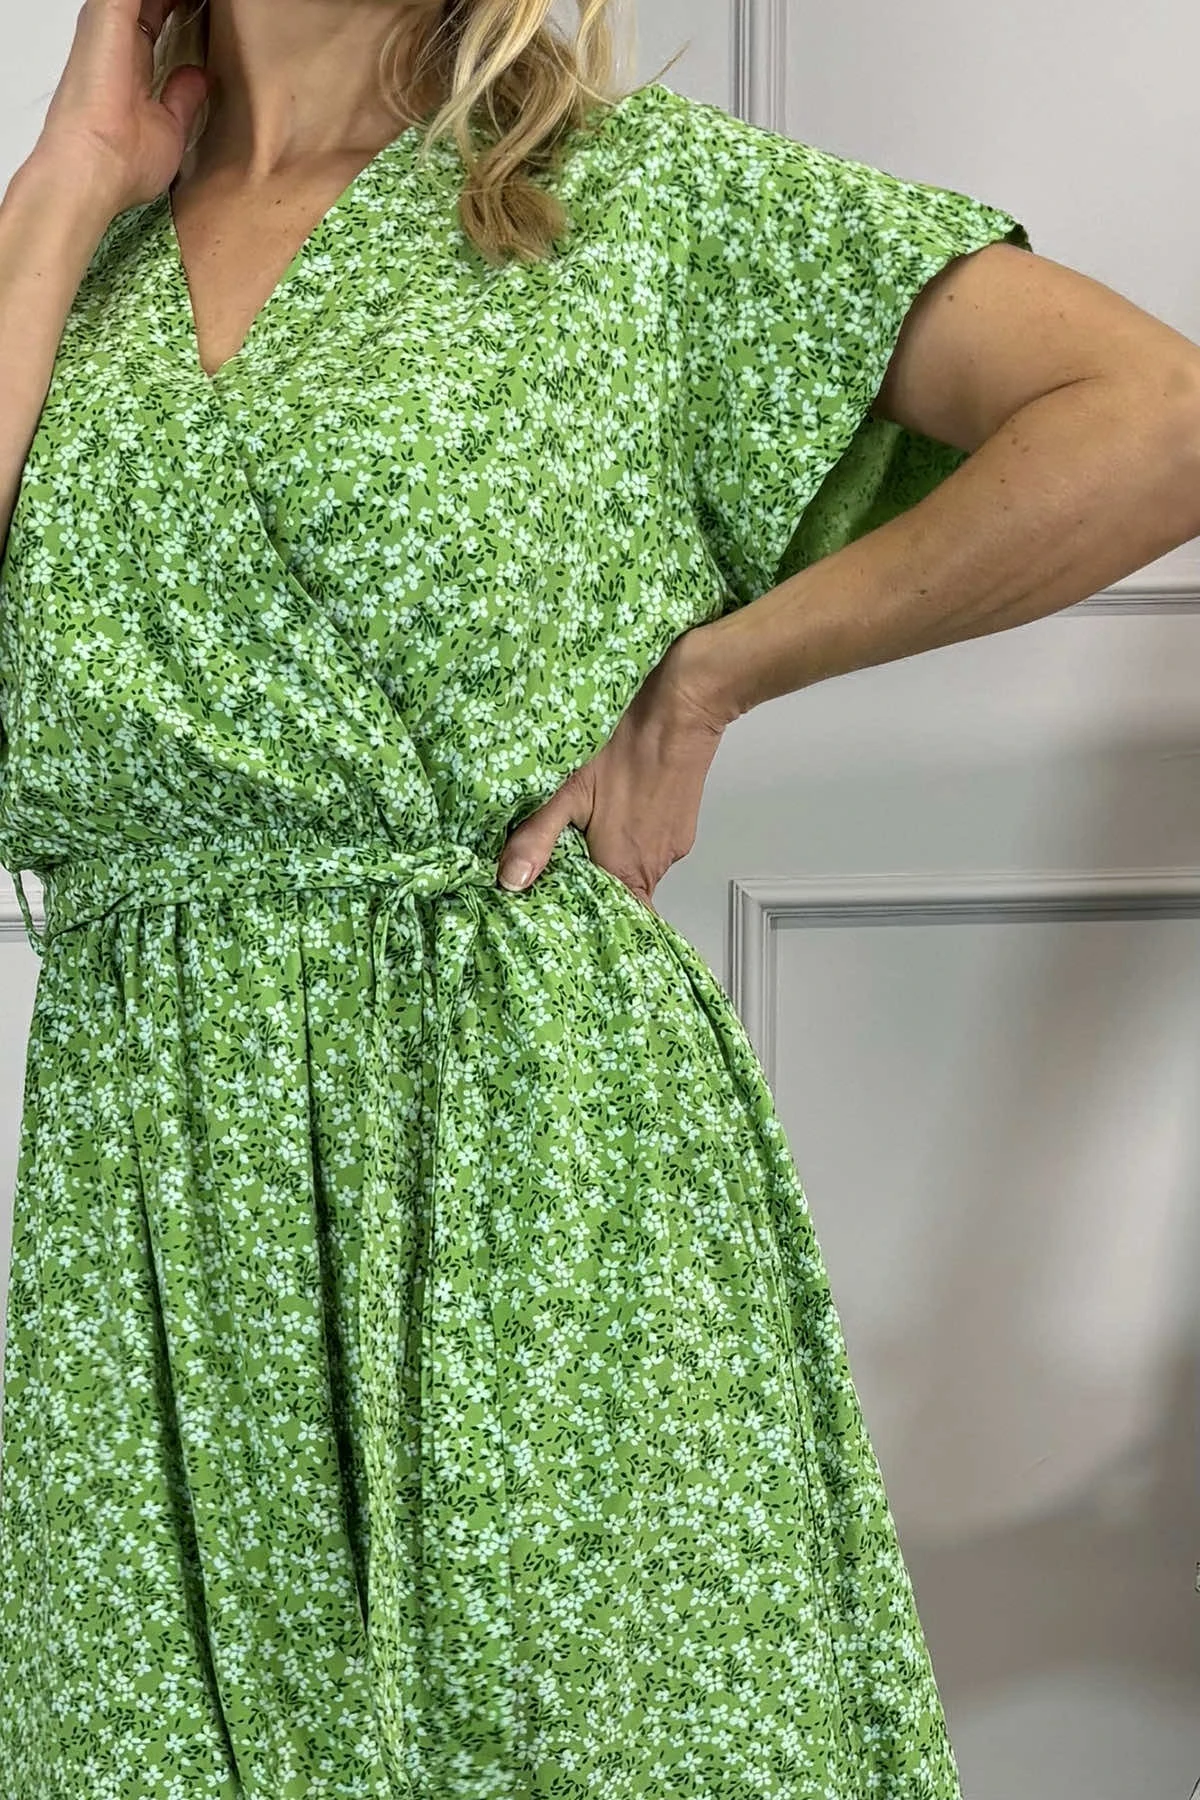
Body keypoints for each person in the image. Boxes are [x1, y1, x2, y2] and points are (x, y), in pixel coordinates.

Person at [1, 1, 1198, 1795]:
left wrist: (715, 676)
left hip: (522, 1179)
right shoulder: (76, 263)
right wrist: (67, 176)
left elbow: (1155, 421)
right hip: (149, 1227)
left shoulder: (623, 199)